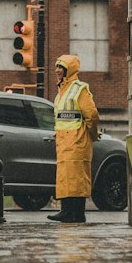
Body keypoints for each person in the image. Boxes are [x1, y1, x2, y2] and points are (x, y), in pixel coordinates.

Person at [48, 53, 99, 224]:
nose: (57, 71)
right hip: (64, 141)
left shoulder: (79, 88)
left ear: (69, 70)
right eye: (56, 67)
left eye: (61, 68)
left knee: (77, 178)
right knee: (66, 177)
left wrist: (90, 134)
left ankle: (75, 213)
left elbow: (91, 114)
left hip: (77, 140)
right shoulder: (61, 91)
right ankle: (67, 211)